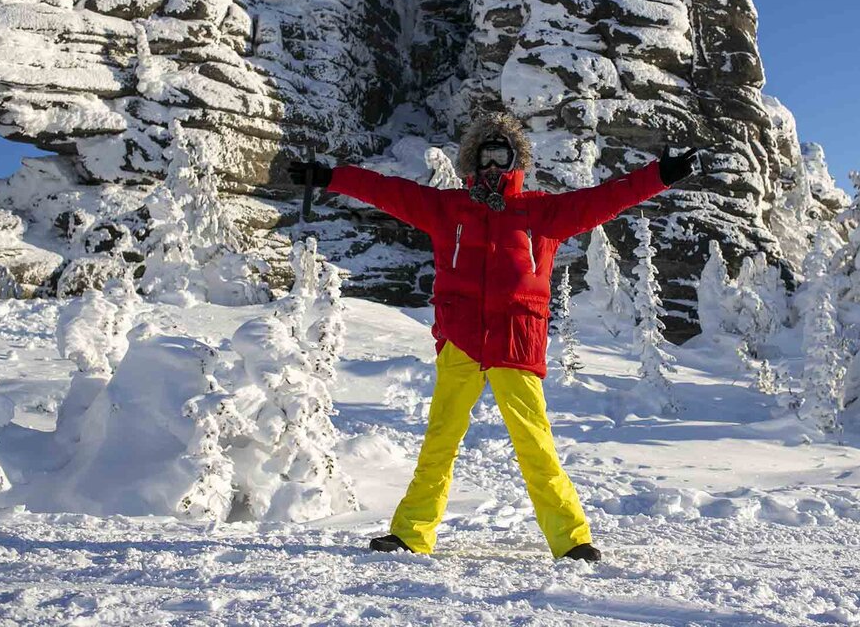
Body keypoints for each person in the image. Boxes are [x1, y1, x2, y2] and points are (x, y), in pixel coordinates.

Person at [288, 111, 698, 562]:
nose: (492, 167)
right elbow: (387, 192)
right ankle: (411, 534)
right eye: (484, 157)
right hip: (461, 341)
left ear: (515, 160)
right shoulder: (449, 210)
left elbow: (604, 199)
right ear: (471, 162)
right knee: (439, 443)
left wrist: (660, 175)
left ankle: (572, 539)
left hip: (515, 344)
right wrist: (330, 177)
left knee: (535, 445)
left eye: (501, 156)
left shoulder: (540, 212)